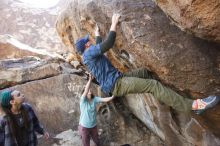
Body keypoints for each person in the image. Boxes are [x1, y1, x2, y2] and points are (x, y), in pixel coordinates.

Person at [74, 13, 220, 114]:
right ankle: (194, 106)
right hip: (117, 84)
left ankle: (166, 98)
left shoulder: (87, 56)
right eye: (89, 41)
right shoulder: (88, 54)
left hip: (118, 79)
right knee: (153, 85)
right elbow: (108, 44)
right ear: (87, 46)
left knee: (145, 72)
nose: (91, 41)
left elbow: (100, 48)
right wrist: (113, 24)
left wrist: (98, 34)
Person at [79, 74, 115, 146]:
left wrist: (112, 97)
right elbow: (86, 90)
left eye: (90, 90)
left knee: (97, 141)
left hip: (93, 125)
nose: (89, 91)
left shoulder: (94, 99)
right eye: (87, 91)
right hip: (84, 126)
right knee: (86, 143)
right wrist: (90, 80)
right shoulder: (83, 101)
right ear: (84, 93)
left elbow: (104, 99)